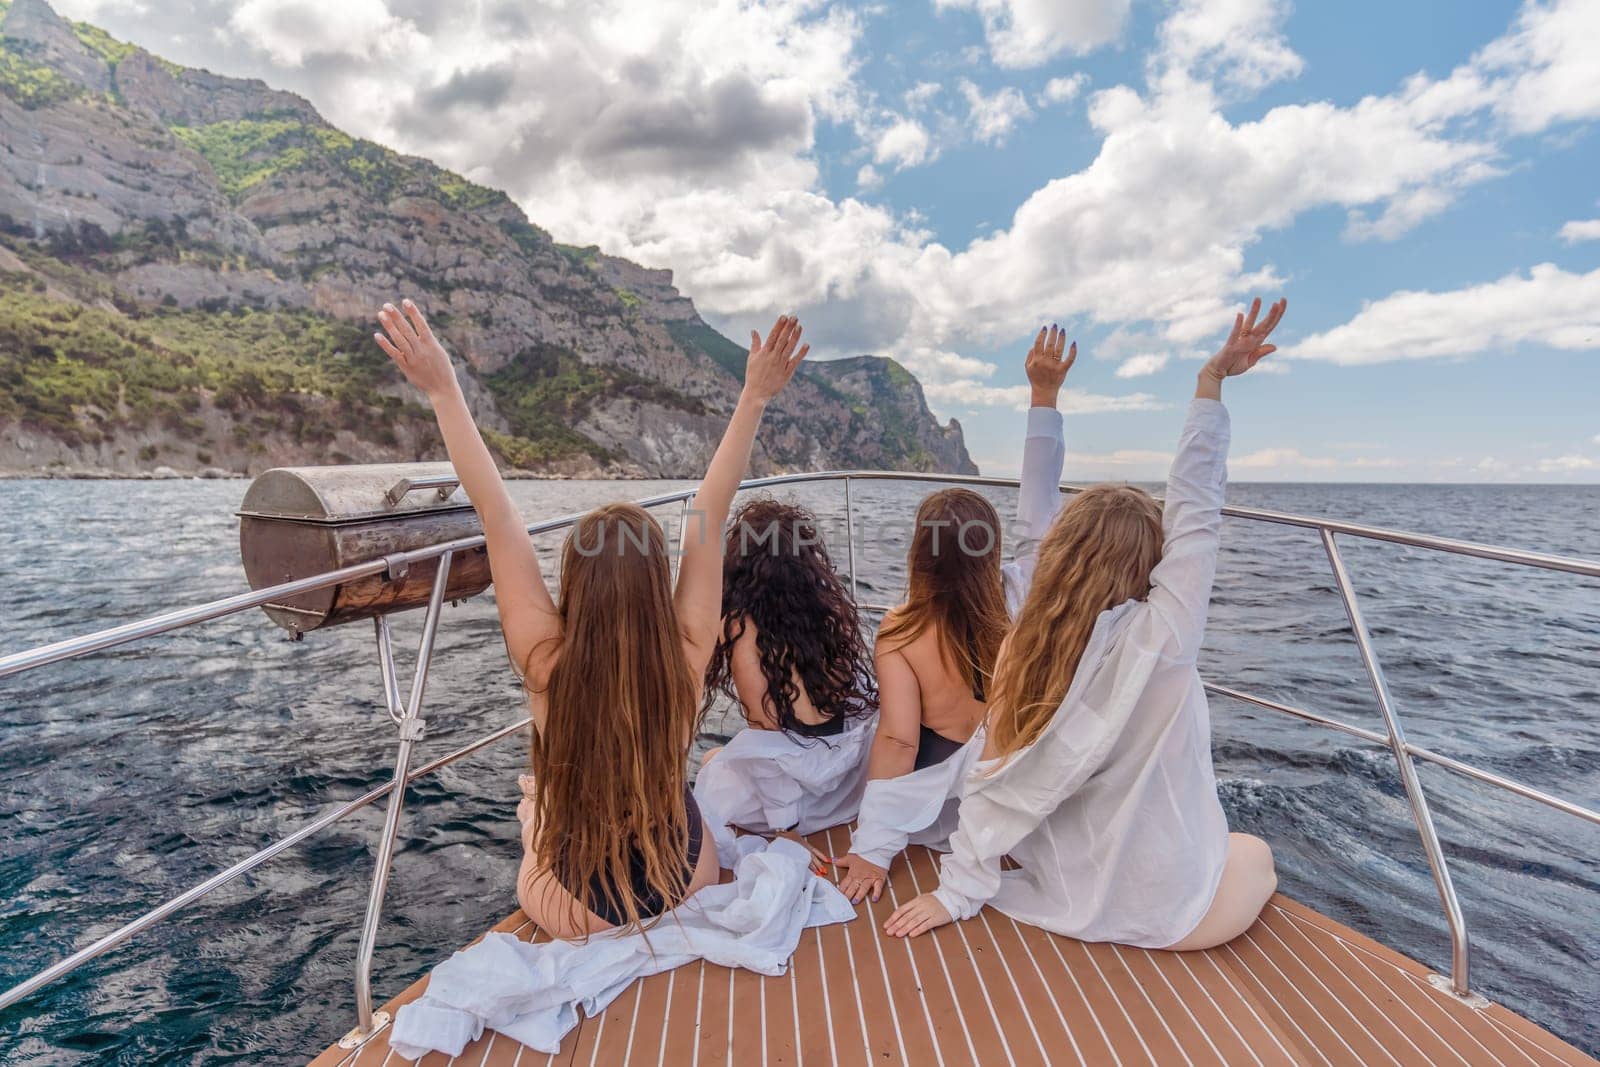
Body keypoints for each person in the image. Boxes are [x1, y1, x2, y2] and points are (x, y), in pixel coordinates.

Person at [374, 300, 809, 938]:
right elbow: (710, 514)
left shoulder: (546, 659)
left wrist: (444, 389)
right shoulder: (688, 650)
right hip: (688, 877)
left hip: (580, 909)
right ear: (657, 581)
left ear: (575, 580)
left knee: (535, 809)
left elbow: (496, 512)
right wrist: (753, 398)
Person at [883, 298, 1286, 951]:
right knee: (1255, 853)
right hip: (1167, 910)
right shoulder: (1164, 640)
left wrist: (956, 891)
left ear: (1064, 554)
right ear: (1151, 561)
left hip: (1063, 887)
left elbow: (988, 784)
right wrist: (1208, 386)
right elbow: (1197, 513)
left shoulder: (1027, 643)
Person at [833, 325, 1074, 904]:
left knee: (882, 724)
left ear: (920, 552)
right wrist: (1044, 398)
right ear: (990, 548)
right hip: (1016, 768)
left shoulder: (901, 629)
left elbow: (897, 741)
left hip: (948, 777)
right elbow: (1039, 510)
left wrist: (872, 848)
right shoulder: (1023, 592)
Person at [692, 499, 878, 850]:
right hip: (841, 785)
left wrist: (786, 831)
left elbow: (766, 741)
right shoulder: (828, 611)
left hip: (797, 799)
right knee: (725, 758)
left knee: (709, 762)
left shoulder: (741, 629)